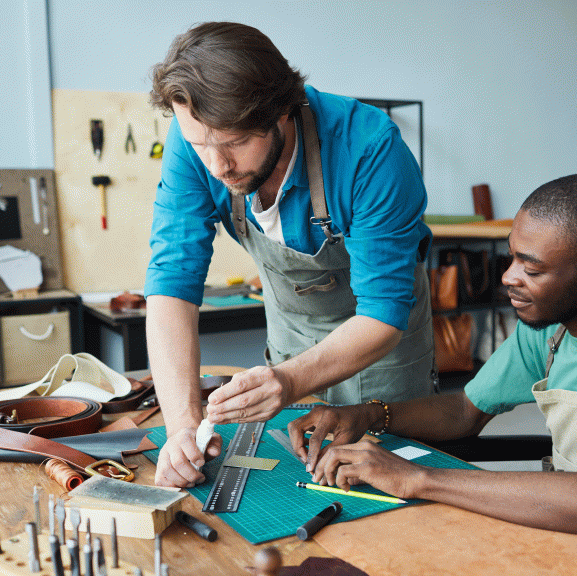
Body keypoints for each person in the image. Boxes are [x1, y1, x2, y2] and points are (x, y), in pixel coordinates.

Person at [288, 173, 577, 557]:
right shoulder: (549, 332)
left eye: (531, 269)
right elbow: (464, 410)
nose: (507, 277)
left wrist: (417, 478)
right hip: (573, 532)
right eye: (512, 258)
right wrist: (368, 414)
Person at [145, 22, 436, 488]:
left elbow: (383, 311)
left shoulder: (370, 150)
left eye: (235, 143)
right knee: (291, 489)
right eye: (202, 145)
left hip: (380, 353)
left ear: (282, 109)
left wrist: (289, 380)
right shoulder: (193, 139)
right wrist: (182, 424)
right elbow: (170, 285)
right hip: (288, 346)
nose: (218, 166)